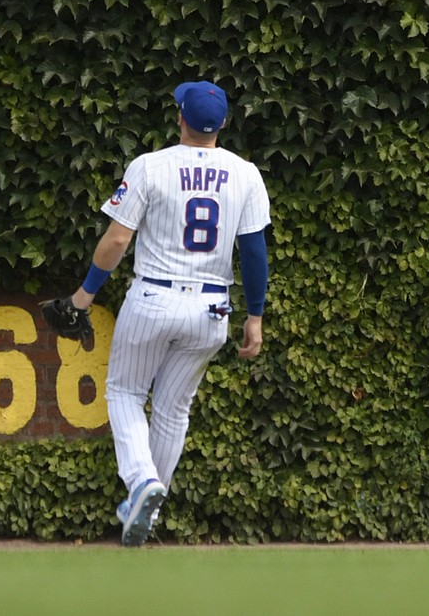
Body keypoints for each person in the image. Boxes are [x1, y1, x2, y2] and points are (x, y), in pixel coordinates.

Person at [40, 79, 269, 548]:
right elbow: (253, 251)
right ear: (223, 124)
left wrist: (84, 297)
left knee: (124, 391)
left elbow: (118, 240)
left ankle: (143, 483)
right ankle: (145, 508)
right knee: (173, 409)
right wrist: (255, 316)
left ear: (180, 119)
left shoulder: (151, 166)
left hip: (154, 297)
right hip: (211, 308)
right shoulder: (246, 174)